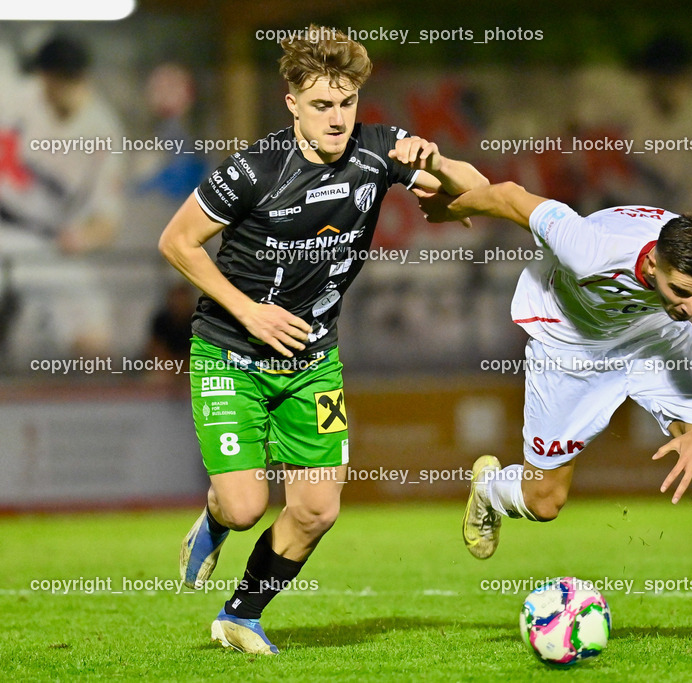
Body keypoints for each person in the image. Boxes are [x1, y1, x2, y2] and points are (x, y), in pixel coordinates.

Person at [159, 25, 486, 655]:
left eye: (346, 103)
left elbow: (470, 192)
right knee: (247, 504)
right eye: (321, 105)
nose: (337, 119)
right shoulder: (254, 169)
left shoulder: (381, 150)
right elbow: (177, 241)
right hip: (232, 352)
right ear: (292, 102)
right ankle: (217, 518)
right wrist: (249, 311)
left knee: (317, 510)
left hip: (314, 362)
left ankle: (239, 616)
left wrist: (436, 164)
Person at [414, 181, 692, 655]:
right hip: (571, 344)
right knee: (544, 501)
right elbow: (508, 198)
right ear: (651, 264)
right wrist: (452, 207)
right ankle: (489, 488)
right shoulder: (588, 247)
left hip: (656, 342)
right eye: (682, 292)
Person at [0, 35, 123, 362]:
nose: (59, 87)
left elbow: (107, 221)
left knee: (94, 337)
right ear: (42, 77)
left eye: (69, 78)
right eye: (53, 78)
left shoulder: (103, 129)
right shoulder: (14, 98)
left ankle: (88, 413)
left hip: (49, 243)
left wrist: (83, 238)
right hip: (3, 225)